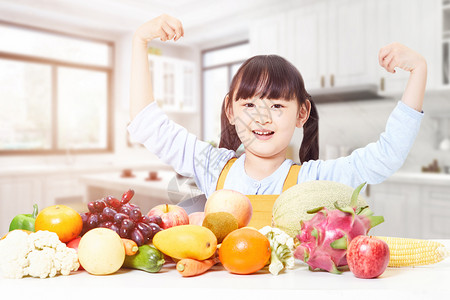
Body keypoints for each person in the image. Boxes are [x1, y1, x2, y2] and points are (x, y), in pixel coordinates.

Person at [128, 14, 426, 211]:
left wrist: (418, 71)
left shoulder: (312, 180)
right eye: (248, 105)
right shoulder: (213, 167)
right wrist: (139, 41)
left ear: (302, 113)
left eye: (277, 105)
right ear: (230, 110)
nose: (262, 117)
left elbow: (387, 156)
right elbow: (147, 122)